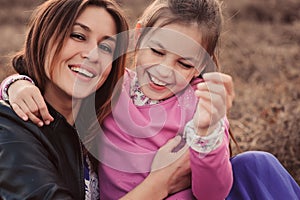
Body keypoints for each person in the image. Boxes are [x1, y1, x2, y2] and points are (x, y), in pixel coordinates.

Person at [3, 0, 300, 200]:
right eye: (157, 52)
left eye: (184, 64)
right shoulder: (116, 85)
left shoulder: (199, 105)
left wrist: (207, 133)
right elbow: (49, 74)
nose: (163, 71)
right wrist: (16, 84)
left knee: (258, 163)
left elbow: (213, 192)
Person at [0, 0, 194, 199]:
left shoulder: (101, 125)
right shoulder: (10, 129)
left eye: (107, 48)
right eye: (78, 36)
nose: (93, 55)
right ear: (44, 35)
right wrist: (161, 183)